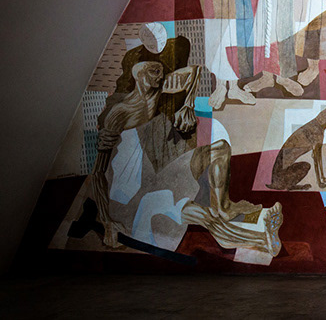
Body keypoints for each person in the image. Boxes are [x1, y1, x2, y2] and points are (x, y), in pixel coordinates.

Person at [85, 49, 282, 257]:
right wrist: (106, 220)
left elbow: (193, 72)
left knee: (220, 149)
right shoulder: (120, 113)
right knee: (202, 215)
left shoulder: (155, 93)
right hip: (130, 198)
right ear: (138, 74)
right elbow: (97, 173)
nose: (161, 76)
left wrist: (186, 104)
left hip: (155, 177)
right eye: (154, 71)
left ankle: (223, 208)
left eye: (161, 71)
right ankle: (262, 240)